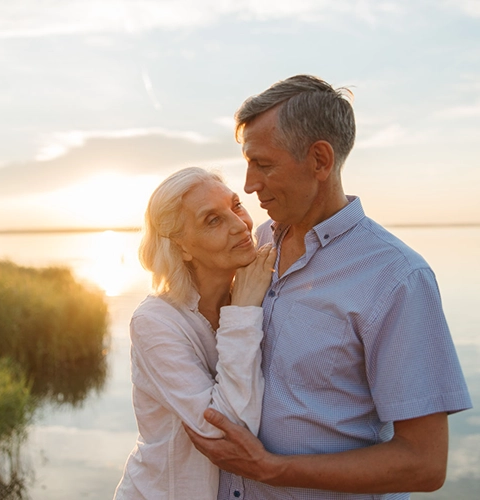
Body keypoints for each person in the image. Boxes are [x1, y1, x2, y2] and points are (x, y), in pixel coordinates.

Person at [184, 75, 473, 499]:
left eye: (263, 164)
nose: (248, 184)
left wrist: (274, 470)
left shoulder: (396, 279)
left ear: (320, 160)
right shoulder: (256, 243)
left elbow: (424, 464)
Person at [113, 167, 276, 500]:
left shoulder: (254, 282)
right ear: (182, 247)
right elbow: (223, 429)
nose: (239, 225)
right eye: (212, 220)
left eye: (236, 206)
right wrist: (243, 310)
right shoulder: (155, 321)